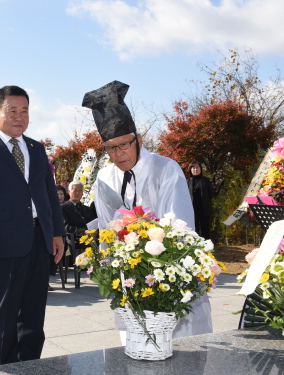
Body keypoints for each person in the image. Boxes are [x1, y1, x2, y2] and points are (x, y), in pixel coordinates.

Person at [82, 80, 212, 340]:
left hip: (169, 270)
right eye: (110, 148)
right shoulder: (105, 177)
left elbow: (180, 225)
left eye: (124, 145)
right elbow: (108, 230)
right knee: (136, 345)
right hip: (131, 274)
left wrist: (163, 263)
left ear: (138, 139)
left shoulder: (166, 168)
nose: (118, 154)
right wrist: (110, 269)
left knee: (181, 343)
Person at [0, 86, 66, 366]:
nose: (19, 117)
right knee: (5, 315)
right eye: (12, 110)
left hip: (39, 240)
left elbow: (49, 196)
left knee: (34, 314)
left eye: (24, 111)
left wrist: (57, 233)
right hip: (1, 244)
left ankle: (30, 366)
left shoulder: (36, 148)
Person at [187, 161, 214, 239]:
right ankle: (195, 247)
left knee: (205, 229)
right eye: (193, 167)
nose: (195, 169)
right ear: (190, 170)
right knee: (194, 229)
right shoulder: (187, 181)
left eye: (197, 167)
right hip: (192, 209)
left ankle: (207, 247)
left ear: (201, 169)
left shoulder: (206, 180)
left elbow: (211, 194)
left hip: (204, 209)